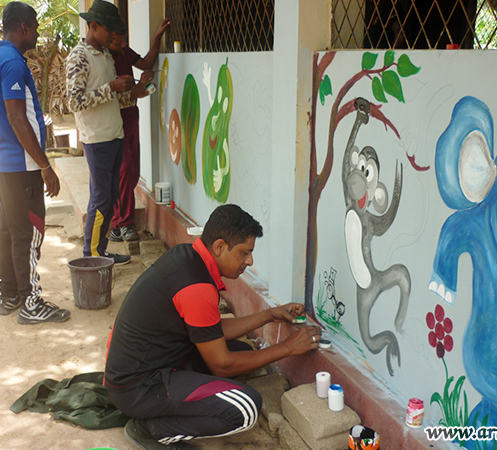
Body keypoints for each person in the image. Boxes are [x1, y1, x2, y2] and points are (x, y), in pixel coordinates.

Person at [104, 204, 322, 450]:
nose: (250, 261)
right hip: (139, 388)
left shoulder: (188, 257)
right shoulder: (196, 286)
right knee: (246, 407)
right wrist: (287, 348)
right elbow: (222, 365)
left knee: (240, 350)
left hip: (144, 368)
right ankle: (151, 429)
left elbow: (211, 329)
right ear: (219, 247)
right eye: (244, 253)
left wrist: (269, 315)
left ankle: (162, 411)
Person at [0, 1, 70, 324]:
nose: (36, 33)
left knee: (8, 228)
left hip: (6, 163)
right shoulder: (13, 64)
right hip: (23, 166)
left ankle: (10, 295)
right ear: (23, 28)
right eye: (34, 27)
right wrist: (45, 166)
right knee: (29, 232)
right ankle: (31, 302)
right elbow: (17, 118)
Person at [65, 0, 148, 265]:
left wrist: (132, 94)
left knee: (110, 197)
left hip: (115, 135)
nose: (113, 36)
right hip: (97, 140)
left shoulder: (105, 55)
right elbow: (74, 101)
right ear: (94, 26)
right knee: (101, 199)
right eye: (109, 30)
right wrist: (112, 87)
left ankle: (101, 250)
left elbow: (113, 100)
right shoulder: (79, 56)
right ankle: (91, 256)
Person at [107, 19, 171, 243]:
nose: (123, 46)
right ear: (108, 38)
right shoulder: (103, 58)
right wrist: (137, 88)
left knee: (133, 171)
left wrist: (156, 39)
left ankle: (117, 225)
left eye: (125, 42)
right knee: (124, 169)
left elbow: (145, 63)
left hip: (131, 114)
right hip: (115, 119)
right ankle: (124, 223)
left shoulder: (122, 50)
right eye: (118, 43)